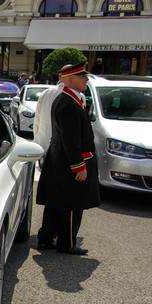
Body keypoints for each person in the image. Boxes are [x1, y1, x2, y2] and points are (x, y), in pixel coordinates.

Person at [36, 62, 100, 255]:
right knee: (72, 205)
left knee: (56, 203)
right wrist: (78, 165)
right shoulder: (69, 104)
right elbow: (71, 140)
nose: (86, 80)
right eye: (82, 77)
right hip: (69, 162)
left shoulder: (66, 100)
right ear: (70, 80)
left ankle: (46, 238)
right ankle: (67, 242)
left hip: (60, 160)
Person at [33, 64, 72, 152]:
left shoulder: (45, 93)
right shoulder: (78, 96)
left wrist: (37, 139)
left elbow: (37, 120)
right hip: (63, 149)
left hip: (43, 144)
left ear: (60, 77)